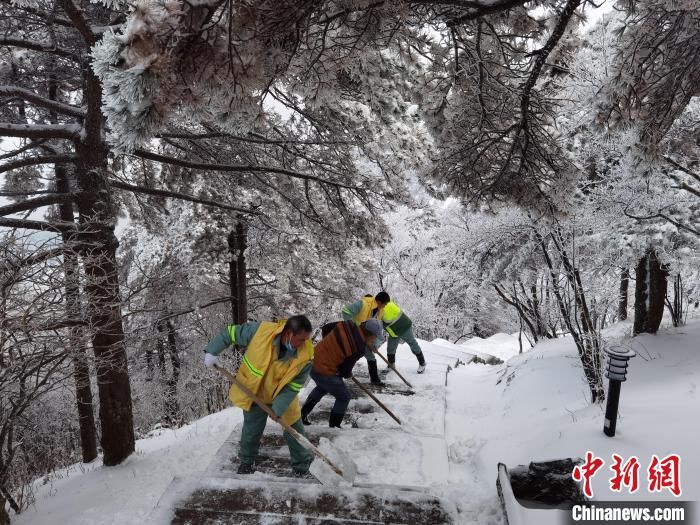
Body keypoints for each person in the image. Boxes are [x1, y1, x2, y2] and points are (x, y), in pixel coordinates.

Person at [203, 315, 314, 476]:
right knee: (251, 430)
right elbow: (231, 333)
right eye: (301, 339)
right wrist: (212, 351)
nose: (303, 344)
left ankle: (302, 467)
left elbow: (293, 386)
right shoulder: (261, 331)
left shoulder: (306, 355)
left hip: (282, 396)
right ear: (288, 333)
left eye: (306, 339)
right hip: (255, 392)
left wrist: (279, 408)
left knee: (294, 430)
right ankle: (246, 462)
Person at [301, 319, 384, 427]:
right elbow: (344, 370)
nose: (375, 338)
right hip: (324, 371)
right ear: (370, 334)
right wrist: (348, 374)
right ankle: (334, 426)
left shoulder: (347, 324)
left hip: (313, 361)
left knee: (323, 387)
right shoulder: (359, 348)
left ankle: (302, 414)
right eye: (375, 336)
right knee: (344, 397)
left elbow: (326, 327)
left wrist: (329, 347)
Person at [335, 294, 384, 385]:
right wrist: (352, 328)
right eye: (384, 304)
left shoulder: (380, 311)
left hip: (365, 336)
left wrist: (373, 344)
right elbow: (346, 310)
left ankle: (374, 379)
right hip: (356, 335)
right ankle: (340, 375)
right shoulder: (363, 304)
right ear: (380, 302)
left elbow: (376, 329)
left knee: (368, 355)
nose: (384, 307)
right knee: (354, 354)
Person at [375, 291, 426, 374]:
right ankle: (391, 365)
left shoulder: (385, 308)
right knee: (391, 347)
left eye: (378, 303)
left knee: (412, 344)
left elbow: (378, 323)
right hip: (393, 331)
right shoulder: (383, 304)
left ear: (381, 302)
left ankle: (422, 363)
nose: (376, 304)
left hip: (404, 327)